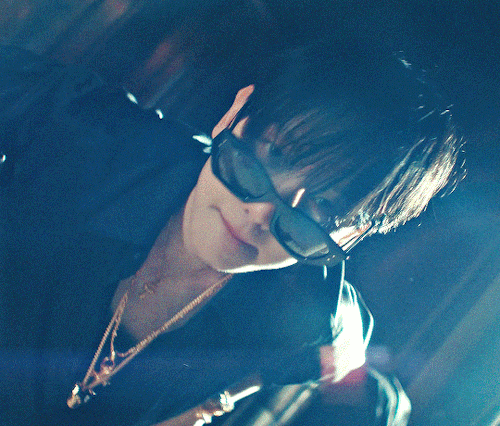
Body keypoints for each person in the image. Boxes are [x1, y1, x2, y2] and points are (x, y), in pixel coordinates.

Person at [0, 38, 462, 426]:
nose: (261, 214)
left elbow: (354, 363)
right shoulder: (92, 137)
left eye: (323, 206)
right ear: (237, 113)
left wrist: (216, 400)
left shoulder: (309, 314)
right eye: (272, 156)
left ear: (351, 237)